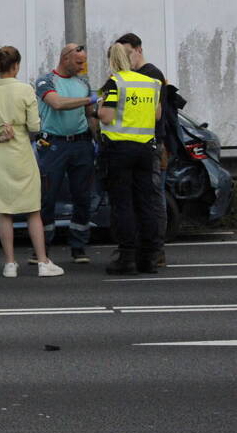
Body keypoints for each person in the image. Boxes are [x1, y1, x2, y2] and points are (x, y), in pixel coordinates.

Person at [0, 46, 65, 278]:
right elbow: (34, 126)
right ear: (16, 66)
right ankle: (43, 261)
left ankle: (10, 263)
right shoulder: (25, 90)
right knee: (33, 210)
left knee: (4, 212)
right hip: (21, 154)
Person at [98, 43, 163, 274]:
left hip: (119, 150)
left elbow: (106, 116)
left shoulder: (115, 82)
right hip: (146, 150)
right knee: (146, 203)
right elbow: (157, 114)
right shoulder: (151, 83)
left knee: (123, 204)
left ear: (113, 61)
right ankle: (149, 257)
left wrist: (99, 105)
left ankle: (127, 258)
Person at [33, 43, 100, 264]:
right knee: (47, 198)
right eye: (79, 62)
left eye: (84, 62)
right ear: (65, 58)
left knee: (82, 196)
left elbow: (90, 114)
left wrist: (98, 137)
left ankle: (78, 246)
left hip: (81, 145)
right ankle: (43, 249)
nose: (82, 67)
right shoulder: (46, 81)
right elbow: (57, 103)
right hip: (53, 146)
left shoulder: (83, 82)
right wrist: (89, 99)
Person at [115, 33, 169, 267]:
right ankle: (146, 250)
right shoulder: (140, 77)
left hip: (148, 145)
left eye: (128, 54)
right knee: (143, 199)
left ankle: (155, 250)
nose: (126, 59)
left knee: (152, 199)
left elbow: (156, 114)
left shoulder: (150, 75)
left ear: (138, 50)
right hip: (142, 145)